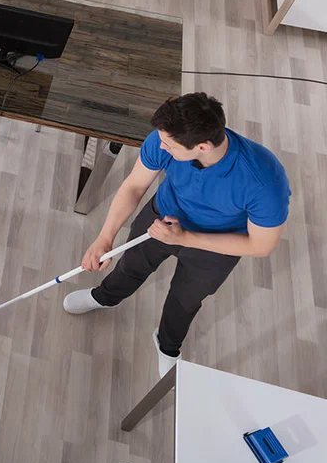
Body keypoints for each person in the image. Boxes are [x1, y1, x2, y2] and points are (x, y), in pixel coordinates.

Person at [63, 92, 290, 376]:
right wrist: (104, 238)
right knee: (130, 267)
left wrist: (184, 238)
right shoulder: (165, 139)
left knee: (185, 300)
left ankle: (168, 345)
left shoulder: (264, 180)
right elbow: (134, 187)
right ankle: (104, 297)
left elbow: (262, 245)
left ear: (203, 146)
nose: (161, 147)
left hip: (215, 246)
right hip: (161, 218)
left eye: (169, 146)